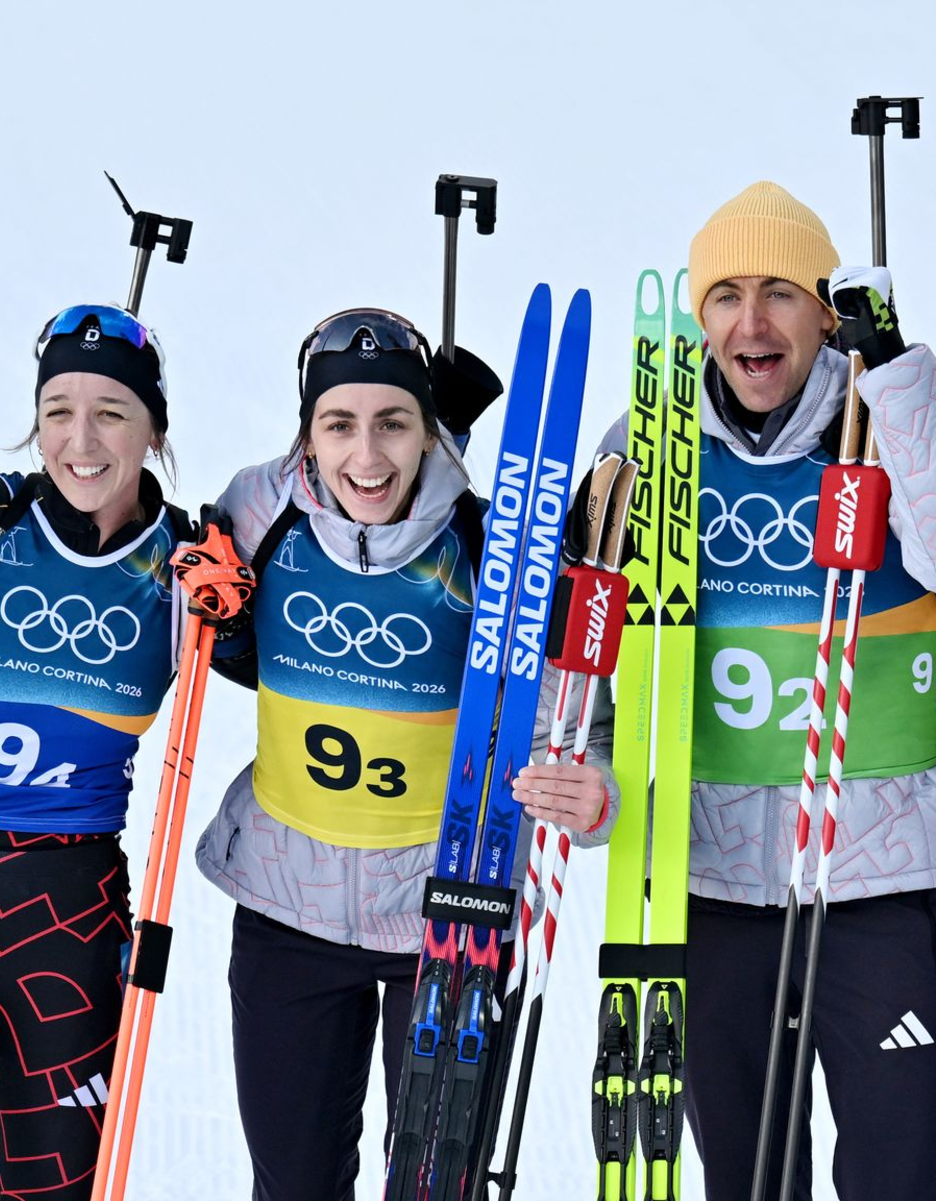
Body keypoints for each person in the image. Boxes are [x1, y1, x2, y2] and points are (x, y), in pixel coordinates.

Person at [592, 181, 936, 1201]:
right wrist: (597, 772)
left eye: (781, 292)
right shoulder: (645, 446)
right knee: (748, 1179)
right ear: (698, 314)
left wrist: (902, 377)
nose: (752, 322)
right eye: (727, 293)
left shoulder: (907, 423)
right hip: (712, 884)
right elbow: (606, 658)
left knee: (900, 1175)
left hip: (874, 881)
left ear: (826, 310)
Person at [194, 307, 612, 1201]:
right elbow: (220, 640)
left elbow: (572, 728)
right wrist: (210, 615)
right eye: (339, 424)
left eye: (394, 423)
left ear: (432, 430)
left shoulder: (490, 547)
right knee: (292, 1183)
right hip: (285, 910)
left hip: (446, 911)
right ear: (306, 429)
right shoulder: (258, 512)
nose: (367, 457)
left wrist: (593, 791)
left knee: (434, 1188)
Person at [0, 305, 193, 1200]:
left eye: (111, 410)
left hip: (63, 907)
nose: (80, 438)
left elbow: (351, 559)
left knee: (56, 1185)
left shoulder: (186, 559)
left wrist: (439, 425)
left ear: (154, 429)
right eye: (58, 409)